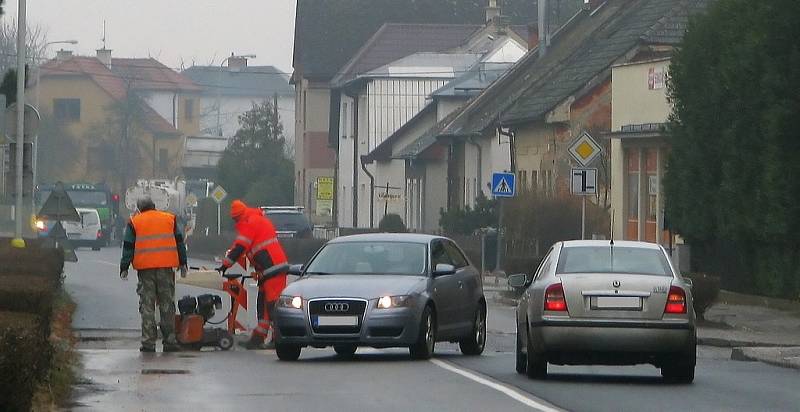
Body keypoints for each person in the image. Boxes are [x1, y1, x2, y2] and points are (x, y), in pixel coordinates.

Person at [216, 199, 288, 350]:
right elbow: (241, 245)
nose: (235, 222)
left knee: (272, 305)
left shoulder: (250, 222)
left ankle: (279, 338)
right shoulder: (253, 220)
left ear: (239, 216)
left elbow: (240, 247)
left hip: (272, 268)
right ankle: (258, 337)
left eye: (235, 218)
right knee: (263, 304)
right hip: (268, 269)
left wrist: (224, 266)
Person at [120, 197, 189, 353]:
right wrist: (183, 263)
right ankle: (170, 341)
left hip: (145, 270)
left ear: (139, 208)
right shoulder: (169, 219)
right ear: (154, 206)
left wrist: (124, 267)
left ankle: (148, 343)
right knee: (167, 305)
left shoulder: (135, 222)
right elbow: (180, 243)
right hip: (166, 268)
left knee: (147, 306)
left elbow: (128, 247)